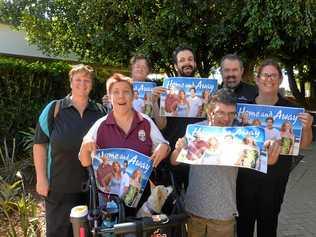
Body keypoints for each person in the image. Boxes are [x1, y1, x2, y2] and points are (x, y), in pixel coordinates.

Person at [170, 89, 281, 237]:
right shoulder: (196, 132)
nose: (226, 118)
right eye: (221, 112)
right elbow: (174, 161)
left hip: (224, 215)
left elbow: (264, 160)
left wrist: (270, 153)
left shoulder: (240, 135)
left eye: (231, 113)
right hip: (193, 211)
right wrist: (178, 149)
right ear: (210, 112)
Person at [236, 59, 313, 237]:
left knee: (268, 225)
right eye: (265, 75)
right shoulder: (244, 108)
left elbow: (304, 144)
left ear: (279, 80)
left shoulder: (292, 110)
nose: (269, 79)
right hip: (246, 176)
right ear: (257, 79)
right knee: (243, 225)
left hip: (276, 178)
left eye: (273, 75)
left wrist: (307, 128)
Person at [79, 73, 170, 216]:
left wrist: (164, 146)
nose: (121, 96)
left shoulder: (145, 122)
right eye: (115, 92)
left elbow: (165, 146)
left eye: (126, 92)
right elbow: (85, 162)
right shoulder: (100, 125)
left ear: (133, 96)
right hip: (108, 202)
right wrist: (85, 144)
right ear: (109, 98)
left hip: (142, 199)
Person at [33, 64, 106, 237]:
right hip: (59, 188)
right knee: (59, 232)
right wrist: (41, 178)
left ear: (92, 84)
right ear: (71, 82)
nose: (82, 83)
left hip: (91, 190)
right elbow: (39, 144)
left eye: (86, 80)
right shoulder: (54, 109)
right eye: (78, 80)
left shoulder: (100, 111)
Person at [152, 46, 205, 191]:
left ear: (195, 63)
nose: (187, 63)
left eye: (190, 59)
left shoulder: (205, 90)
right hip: (172, 157)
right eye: (182, 60)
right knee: (174, 205)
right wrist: (153, 102)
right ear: (176, 66)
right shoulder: (166, 91)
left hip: (197, 155)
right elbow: (161, 126)